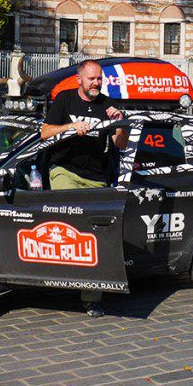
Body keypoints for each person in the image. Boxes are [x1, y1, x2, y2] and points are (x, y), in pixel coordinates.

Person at [40, 60, 127, 318]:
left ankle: (91, 299)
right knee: (71, 221)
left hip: (96, 178)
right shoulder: (65, 101)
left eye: (99, 79)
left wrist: (119, 123)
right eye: (91, 79)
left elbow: (120, 144)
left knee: (94, 236)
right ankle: (56, 277)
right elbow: (45, 133)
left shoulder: (107, 105)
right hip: (64, 171)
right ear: (79, 79)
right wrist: (70, 127)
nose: (96, 83)